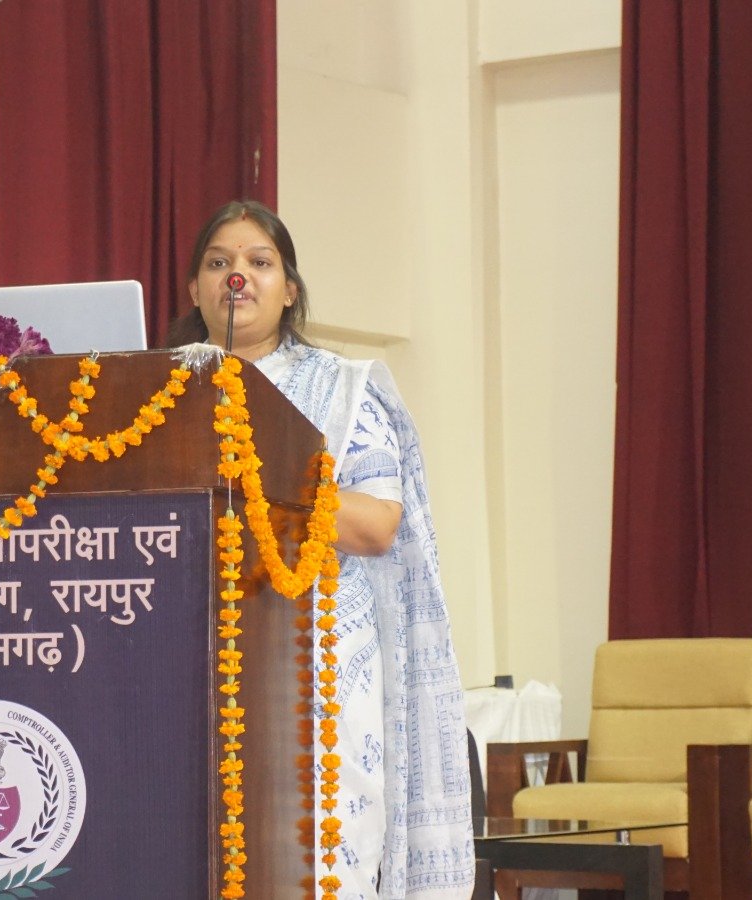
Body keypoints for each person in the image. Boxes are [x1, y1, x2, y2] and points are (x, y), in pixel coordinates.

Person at [169, 200, 474, 900]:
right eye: (218, 263)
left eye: (259, 262)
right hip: (184, 664)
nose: (237, 276)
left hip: (315, 668)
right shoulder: (158, 388)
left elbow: (377, 524)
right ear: (193, 289)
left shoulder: (341, 390)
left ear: (290, 289)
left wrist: (263, 489)